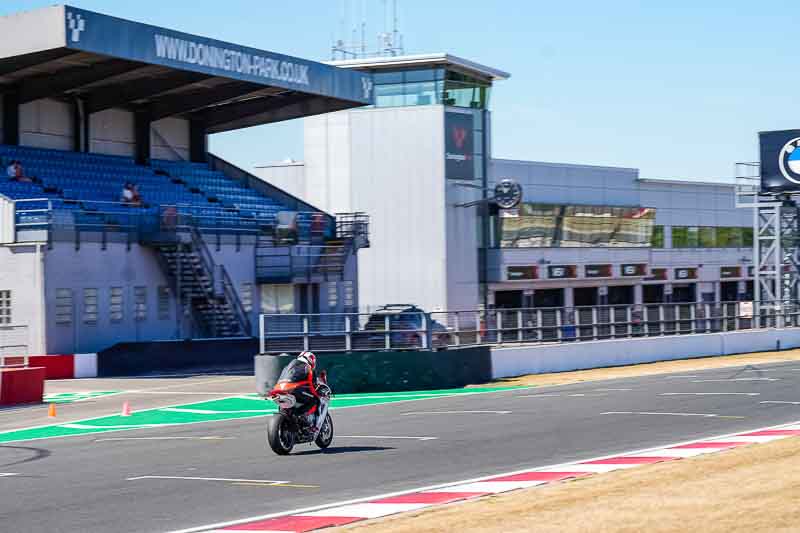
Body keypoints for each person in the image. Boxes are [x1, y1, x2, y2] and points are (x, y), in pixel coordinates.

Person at [275, 351, 323, 427]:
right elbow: (313, 384)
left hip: (279, 389)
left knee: (284, 403)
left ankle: (286, 418)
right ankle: (300, 416)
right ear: (311, 360)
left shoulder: (288, 366)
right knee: (315, 400)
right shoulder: (307, 367)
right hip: (293, 390)